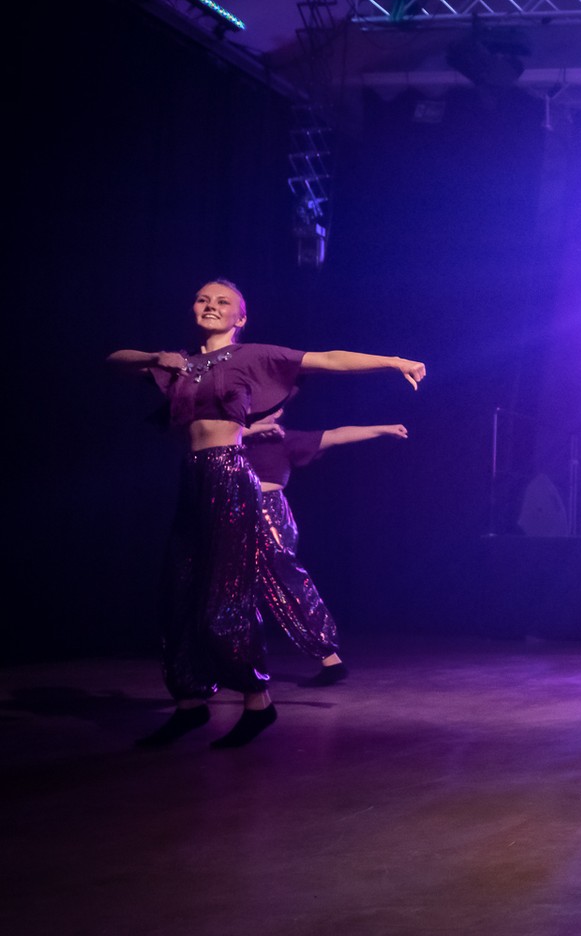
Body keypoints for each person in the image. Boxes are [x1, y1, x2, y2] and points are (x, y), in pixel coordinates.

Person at [109, 279, 424, 748]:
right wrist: (158, 357)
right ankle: (189, 703)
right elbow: (115, 361)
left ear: (240, 318)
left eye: (222, 302)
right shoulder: (179, 365)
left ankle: (257, 702)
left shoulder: (252, 356)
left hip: (229, 473)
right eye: (202, 299)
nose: (210, 306)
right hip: (192, 476)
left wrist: (394, 361)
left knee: (226, 593)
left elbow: (329, 359)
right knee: (177, 591)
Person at [242, 410, 409, 687]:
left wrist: (383, 428)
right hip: (232, 513)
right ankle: (237, 664)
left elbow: (336, 435)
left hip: (269, 513)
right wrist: (254, 429)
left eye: (279, 408)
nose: (277, 412)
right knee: (236, 589)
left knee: (289, 584)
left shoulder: (285, 439)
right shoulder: (232, 437)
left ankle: (330, 659)